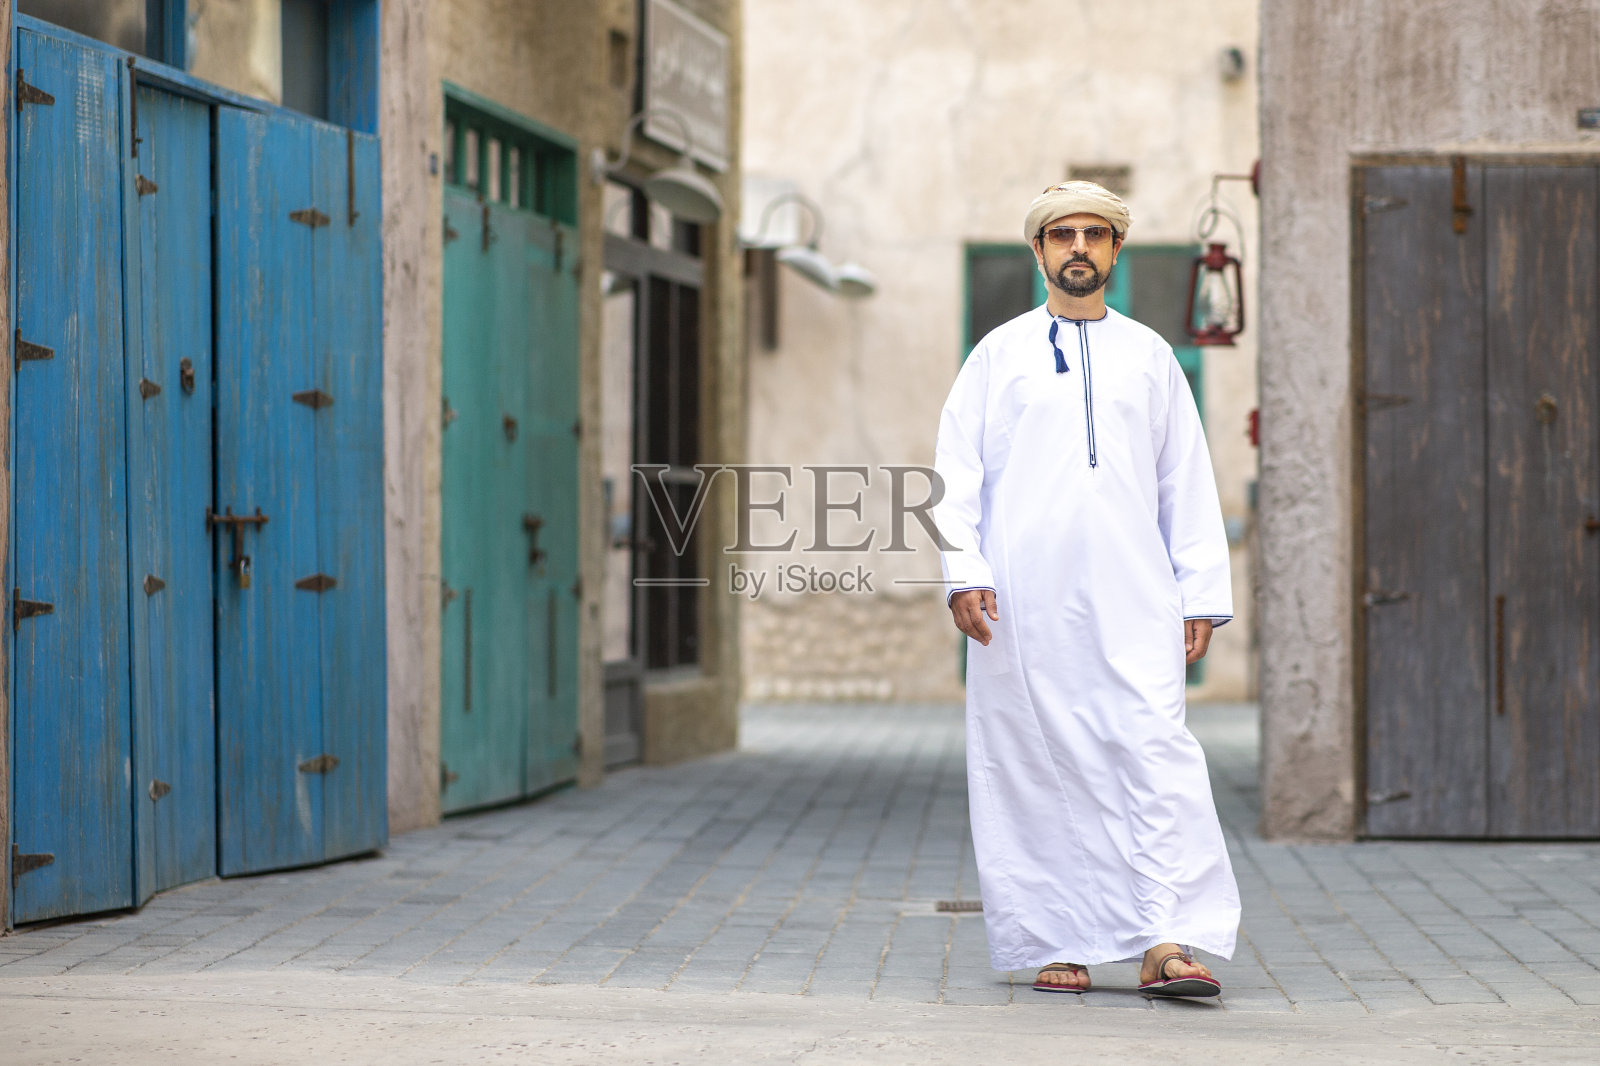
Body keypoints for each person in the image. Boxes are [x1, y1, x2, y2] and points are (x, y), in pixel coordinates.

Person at [932, 181, 1239, 998]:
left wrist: (1201, 591)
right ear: (1038, 252)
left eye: (1093, 235)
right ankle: (1054, 934)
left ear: (1113, 252)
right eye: (1060, 234)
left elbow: (1187, 481)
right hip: (1023, 605)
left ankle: (1163, 939)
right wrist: (964, 571)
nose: (1077, 247)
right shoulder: (997, 356)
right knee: (1033, 760)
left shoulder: (1150, 358)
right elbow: (953, 477)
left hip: (1136, 596)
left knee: (1153, 754)